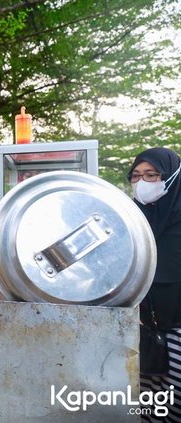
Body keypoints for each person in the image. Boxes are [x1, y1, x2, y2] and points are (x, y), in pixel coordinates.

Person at [126, 147, 181, 421]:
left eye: (151, 175)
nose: (142, 183)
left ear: (170, 177)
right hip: (143, 333)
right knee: (148, 409)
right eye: (136, 176)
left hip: (178, 334)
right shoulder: (132, 219)